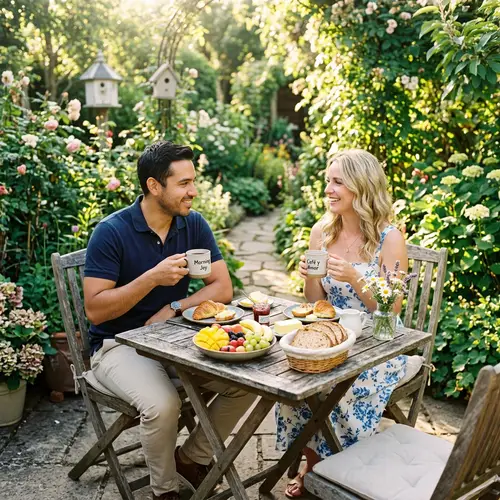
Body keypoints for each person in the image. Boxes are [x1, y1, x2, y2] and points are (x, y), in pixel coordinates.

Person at [83, 140, 255, 500]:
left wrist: (175, 306)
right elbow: (95, 310)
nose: (193, 191)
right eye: (183, 184)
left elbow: (222, 287)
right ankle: (165, 492)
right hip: (118, 345)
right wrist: (152, 278)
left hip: (174, 339)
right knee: (163, 405)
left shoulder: (191, 225)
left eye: (194, 181)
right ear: (154, 186)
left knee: (246, 381)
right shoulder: (111, 232)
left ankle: (190, 459)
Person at [276, 149, 409, 498]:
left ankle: (321, 471)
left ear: (361, 188)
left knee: (339, 390)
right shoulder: (322, 231)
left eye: (338, 182)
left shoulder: (388, 238)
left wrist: (354, 278)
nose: (329, 190)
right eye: (327, 182)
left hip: (379, 343)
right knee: (294, 383)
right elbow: (314, 301)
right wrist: (308, 276)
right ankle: (312, 460)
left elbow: (391, 309)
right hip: (333, 337)